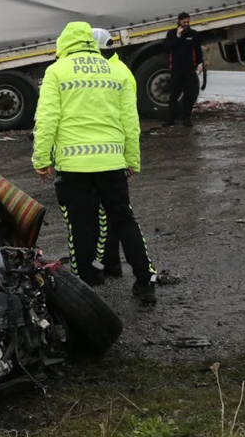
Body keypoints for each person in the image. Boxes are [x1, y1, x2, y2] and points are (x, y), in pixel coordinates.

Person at [32, 21, 157, 305]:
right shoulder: (117, 70)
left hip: (73, 166)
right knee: (124, 220)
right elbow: (130, 121)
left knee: (80, 224)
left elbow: (47, 119)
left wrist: (42, 159)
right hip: (112, 162)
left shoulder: (57, 71)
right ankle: (145, 280)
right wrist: (131, 160)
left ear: (64, 43)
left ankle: (85, 284)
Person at [91, 28, 138, 281]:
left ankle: (108, 265)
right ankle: (112, 264)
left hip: (103, 157)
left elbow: (128, 120)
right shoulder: (121, 71)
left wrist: (130, 159)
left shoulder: (109, 73)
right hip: (114, 155)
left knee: (104, 216)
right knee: (113, 214)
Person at [163, 12, 204, 127]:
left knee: (189, 95)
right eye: (184, 22)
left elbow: (198, 50)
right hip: (176, 68)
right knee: (174, 95)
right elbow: (166, 47)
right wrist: (177, 36)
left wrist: (200, 63)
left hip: (189, 69)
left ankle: (186, 118)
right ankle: (171, 119)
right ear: (179, 22)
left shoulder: (193, 34)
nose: (186, 24)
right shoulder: (172, 33)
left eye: (187, 22)